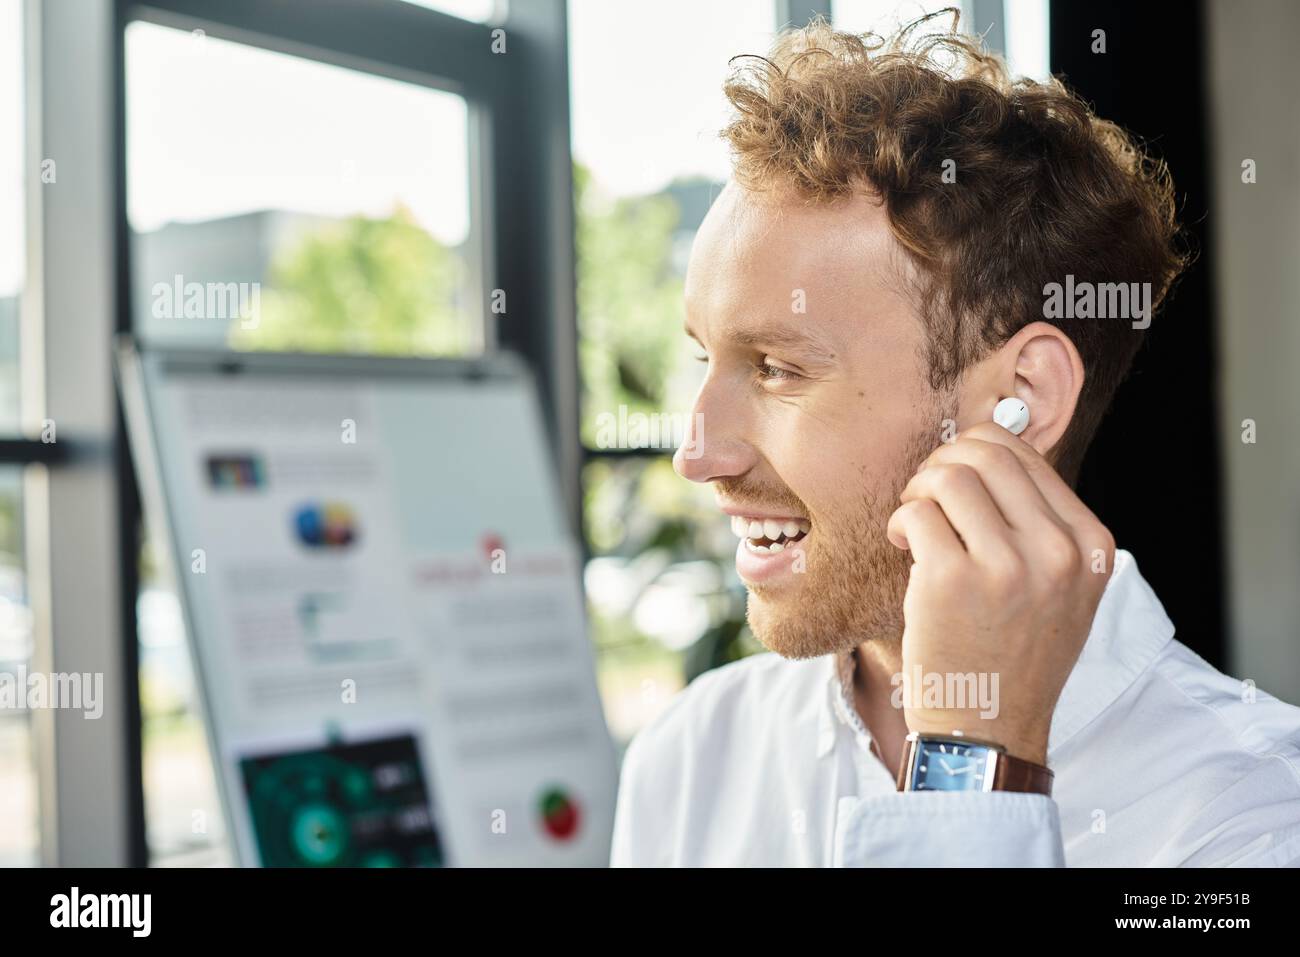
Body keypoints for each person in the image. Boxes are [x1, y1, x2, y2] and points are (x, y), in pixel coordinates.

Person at [609, 12, 1300, 866]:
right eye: (706, 357)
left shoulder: (1255, 814)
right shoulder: (689, 757)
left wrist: (975, 765)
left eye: (779, 369)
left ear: (1021, 398)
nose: (698, 454)